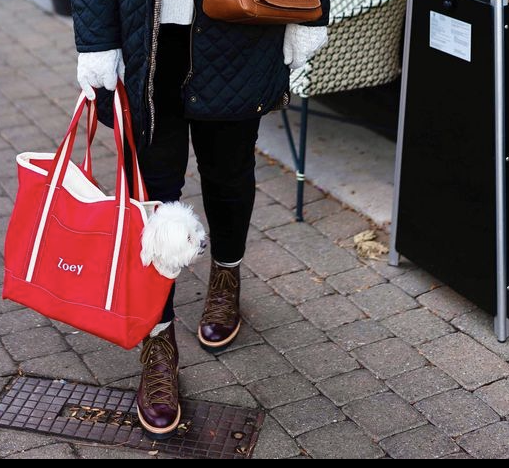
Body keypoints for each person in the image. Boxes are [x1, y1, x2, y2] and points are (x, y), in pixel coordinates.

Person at [71, 0, 330, 438]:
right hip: (146, 40)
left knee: (228, 175)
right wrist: (96, 40)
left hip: (241, 28)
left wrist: (311, 13)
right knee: (149, 198)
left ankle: (226, 276)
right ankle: (157, 339)